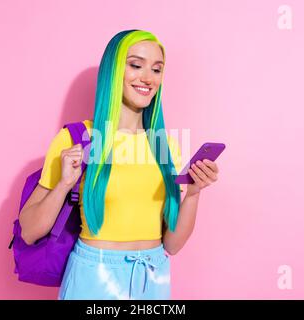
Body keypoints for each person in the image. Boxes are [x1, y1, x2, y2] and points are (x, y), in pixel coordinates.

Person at [18, 29, 220, 300]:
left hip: (153, 277)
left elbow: (172, 244)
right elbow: (29, 231)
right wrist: (65, 184)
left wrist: (194, 193)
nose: (148, 78)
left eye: (157, 69)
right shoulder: (78, 139)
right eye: (136, 65)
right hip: (94, 277)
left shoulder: (164, 146)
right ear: (113, 71)